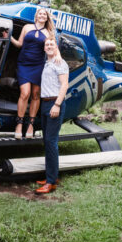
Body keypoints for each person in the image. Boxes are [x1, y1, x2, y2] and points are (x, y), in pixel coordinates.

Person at [5, 8, 56, 138]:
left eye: (44, 14)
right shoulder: (27, 27)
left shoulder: (48, 32)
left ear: (46, 18)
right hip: (23, 65)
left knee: (35, 95)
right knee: (25, 93)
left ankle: (31, 125)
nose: (42, 15)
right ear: (36, 16)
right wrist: (9, 38)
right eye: (40, 13)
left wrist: (58, 58)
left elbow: (52, 49)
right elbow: (19, 44)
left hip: (38, 66)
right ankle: (19, 124)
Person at [35, 37, 69, 194]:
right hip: (45, 103)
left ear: (56, 47)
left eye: (51, 44)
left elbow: (64, 85)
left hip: (55, 103)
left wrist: (57, 105)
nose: (48, 46)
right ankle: (51, 177)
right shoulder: (47, 62)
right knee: (47, 141)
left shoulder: (59, 63)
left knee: (51, 141)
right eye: (46, 45)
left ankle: (51, 183)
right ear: (44, 49)